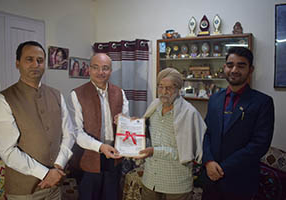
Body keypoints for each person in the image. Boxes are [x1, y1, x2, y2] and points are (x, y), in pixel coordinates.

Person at [0, 41, 117, 200]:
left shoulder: (56, 94)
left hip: (55, 185)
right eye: (29, 59)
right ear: (18, 63)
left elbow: (69, 134)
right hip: (24, 190)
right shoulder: (4, 99)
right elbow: (7, 151)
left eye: (40, 60)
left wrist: (57, 167)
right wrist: (45, 173)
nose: (35, 64)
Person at [202, 47, 275, 200]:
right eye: (230, 65)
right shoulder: (215, 99)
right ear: (224, 67)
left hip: (240, 181)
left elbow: (259, 144)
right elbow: (207, 133)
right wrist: (208, 161)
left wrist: (222, 168)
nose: (234, 70)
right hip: (210, 179)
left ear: (251, 69)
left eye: (241, 66)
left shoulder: (262, 102)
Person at [68, 53, 129, 200]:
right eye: (96, 67)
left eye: (105, 68)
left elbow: (127, 126)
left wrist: (124, 121)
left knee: (112, 196)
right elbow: (77, 132)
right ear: (89, 69)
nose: (100, 72)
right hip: (88, 159)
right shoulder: (77, 94)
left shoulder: (120, 93)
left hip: (114, 157)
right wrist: (100, 147)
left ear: (110, 71)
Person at [139, 68, 206, 200]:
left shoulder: (189, 114)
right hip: (150, 180)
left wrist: (154, 151)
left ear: (178, 89)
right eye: (161, 87)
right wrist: (128, 124)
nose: (164, 92)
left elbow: (187, 153)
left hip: (176, 185)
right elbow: (145, 133)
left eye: (169, 88)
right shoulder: (154, 106)